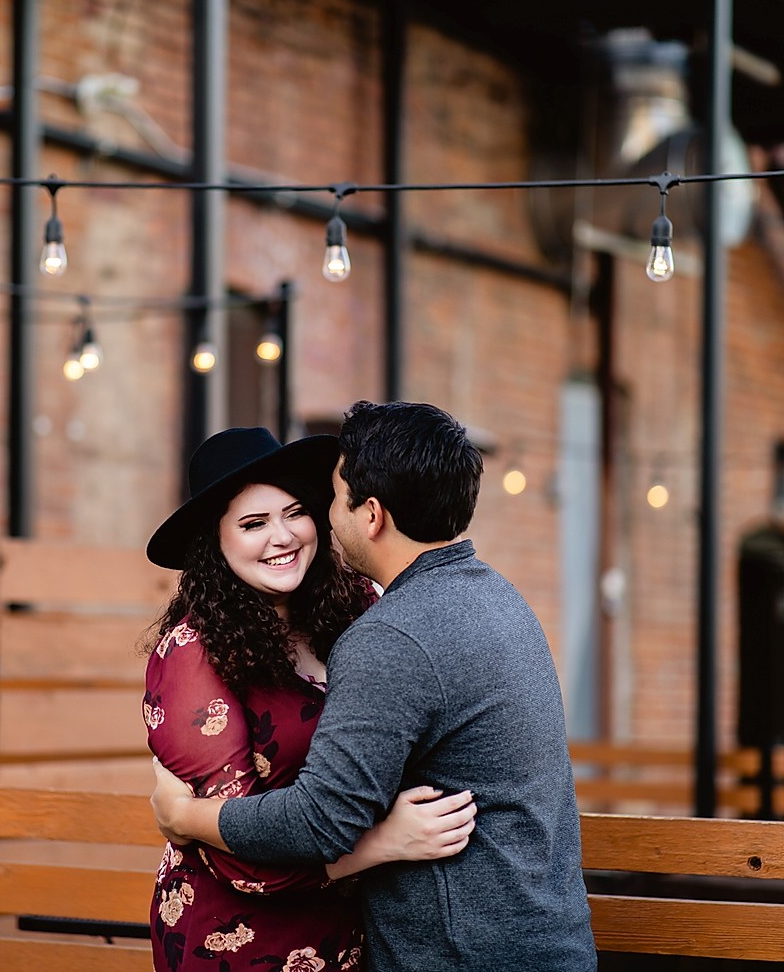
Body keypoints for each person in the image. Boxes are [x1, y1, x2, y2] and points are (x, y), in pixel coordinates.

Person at [152, 401, 597, 972]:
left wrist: (182, 817)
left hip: (463, 952)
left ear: (371, 515)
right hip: (254, 939)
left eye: (321, 502)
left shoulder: (384, 630)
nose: (316, 521)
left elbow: (319, 821)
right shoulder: (496, 596)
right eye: (253, 523)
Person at [143, 426, 477, 972]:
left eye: (295, 513)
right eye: (253, 524)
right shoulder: (192, 653)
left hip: (356, 935)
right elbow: (237, 855)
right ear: (215, 539)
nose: (283, 537)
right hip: (237, 941)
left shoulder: (360, 608)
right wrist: (384, 843)